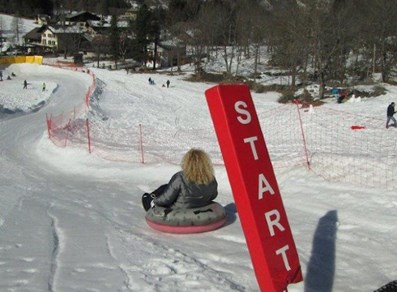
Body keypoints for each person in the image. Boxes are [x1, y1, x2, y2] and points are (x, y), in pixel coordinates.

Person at [142, 148, 218, 211]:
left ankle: (150, 197)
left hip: (179, 211)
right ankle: (153, 195)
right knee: (166, 187)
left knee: (150, 197)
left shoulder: (180, 178)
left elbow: (166, 200)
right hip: (201, 207)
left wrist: (155, 201)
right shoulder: (211, 178)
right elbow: (213, 195)